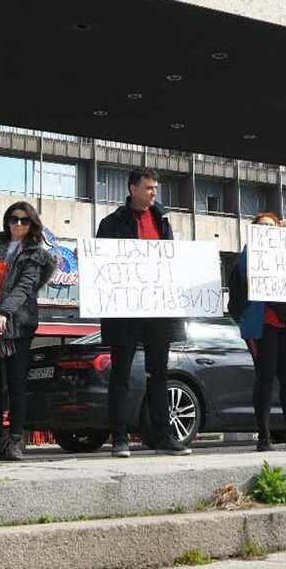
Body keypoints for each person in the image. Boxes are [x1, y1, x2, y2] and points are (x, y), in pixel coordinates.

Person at [96, 169, 190, 457]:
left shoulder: (162, 221)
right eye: (148, 187)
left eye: (155, 188)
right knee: (121, 374)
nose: (153, 193)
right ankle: (120, 437)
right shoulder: (111, 223)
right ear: (132, 188)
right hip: (124, 308)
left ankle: (163, 436)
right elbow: (102, 262)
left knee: (159, 374)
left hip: (158, 309)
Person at [0, 201, 57, 461]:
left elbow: (25, 286)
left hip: (17, 326)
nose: (18, 224)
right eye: (13, 218)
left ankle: (17, 441)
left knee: (16, 384)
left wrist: (5, 312)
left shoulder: (34, 253)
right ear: (6, 220)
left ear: (32, 223)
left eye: (24, 220)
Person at [229, 212, 286, 452]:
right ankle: (263, 435)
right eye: (262, 226)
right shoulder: (249, 252)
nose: (267, 229)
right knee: (265, 378)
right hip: (262, 323)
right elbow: (243, 269)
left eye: (271, 226)